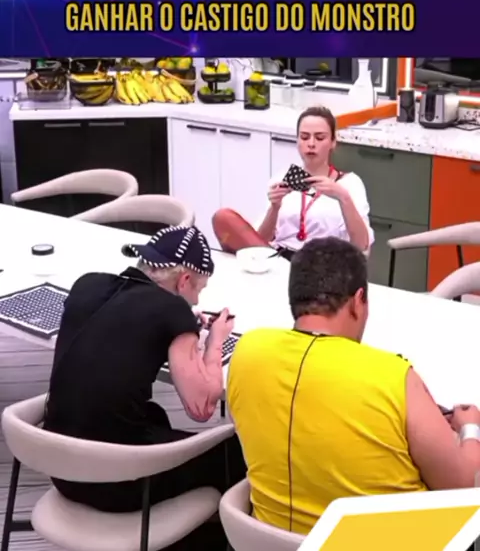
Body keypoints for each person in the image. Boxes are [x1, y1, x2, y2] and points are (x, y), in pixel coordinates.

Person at [227, 236, 480, 535]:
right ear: (359, 300)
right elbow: (461, 485)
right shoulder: (393, 376)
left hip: (266, 539)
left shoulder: (248, 351)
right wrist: (470, 428)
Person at [43, 225, 246, 548]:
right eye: (199, 289)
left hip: (58, 464)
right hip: (114, 480)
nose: (197, 299)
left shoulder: (87, 284)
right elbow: (202, 406)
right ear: (183, 280)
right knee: (235, 452)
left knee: (153, 415)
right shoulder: (171, 310)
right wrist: (214, 341)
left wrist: (178, 327)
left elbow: (120, 333)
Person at [212, 106, 374, 259]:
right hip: (280, 258)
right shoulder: (282, 179)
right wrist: (275, 208)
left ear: (333, 142)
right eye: (304, 137)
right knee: (223, 217)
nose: (311, 144)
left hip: (323, 263)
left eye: (319, 138)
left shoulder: (350, 183)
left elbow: (361, 246)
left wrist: (343, 198)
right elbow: (260, 241)